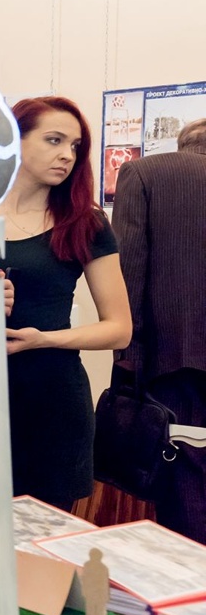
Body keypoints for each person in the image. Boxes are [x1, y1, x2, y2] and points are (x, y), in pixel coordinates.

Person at [0, 96, 131, 511]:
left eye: (75, 146)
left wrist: (45, 339)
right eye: (54, 140)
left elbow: (119, 328)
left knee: (42, 543)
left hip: (52, 399)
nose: (67, 155)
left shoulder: (85, 222)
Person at [111, 117, 206, 544]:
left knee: (183, 476)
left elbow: (128, 271)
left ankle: (189, 577)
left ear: (183, 144)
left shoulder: (144, 173)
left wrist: (126, 356)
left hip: (174, 357)